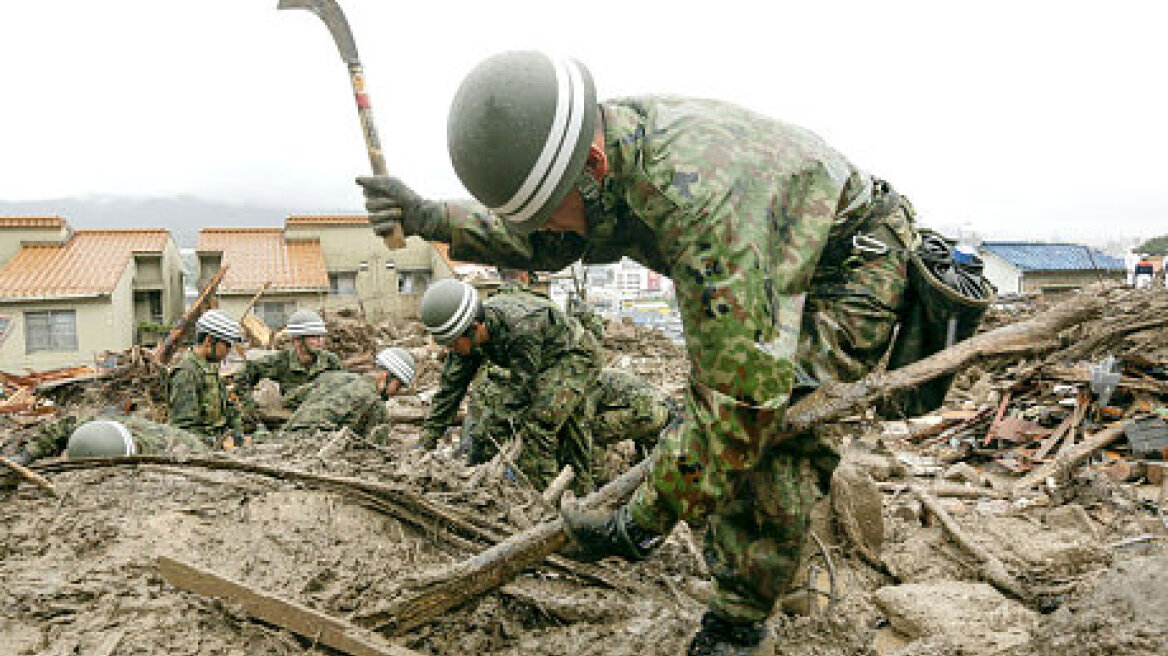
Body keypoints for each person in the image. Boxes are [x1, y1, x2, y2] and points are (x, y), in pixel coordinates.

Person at [355, 51, 990, 654]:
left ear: (593, 167)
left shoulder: (700, 204)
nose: (549, 230)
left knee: (770, 436)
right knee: (704, 444)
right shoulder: (601, 151)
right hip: (772, 253)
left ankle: (741, 624)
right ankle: (748, 560)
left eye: (553, 213)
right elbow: (551, 239)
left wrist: (639, 521)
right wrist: (432, 217)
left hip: (848, 271)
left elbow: (741, 405)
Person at [419, 278, 605, 490]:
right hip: (541, 357)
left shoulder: (521, 327)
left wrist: (504, 431)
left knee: (539, 423)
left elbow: (523, 392)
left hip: (575, 357)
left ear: (475, 327)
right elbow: (449, 392)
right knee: (491, 420)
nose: (449, 350)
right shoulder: (464, 337)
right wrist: (425, 442)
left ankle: (541, 497)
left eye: (452, 343)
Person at [280, 347, 415, 441]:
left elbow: (289, 399)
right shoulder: (376, 405)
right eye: (398, 386)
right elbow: (375, 449)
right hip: (313, 448)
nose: (396, 393)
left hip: (283, 439)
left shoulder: (334, 377)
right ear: (386, 376)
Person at [234, 308, 344, 418]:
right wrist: (249, 407)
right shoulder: (281, 362)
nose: (320, 340)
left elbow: (345, 390)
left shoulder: (331, 361)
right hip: (292, 418)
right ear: (297, 341)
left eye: (321, 336)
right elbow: (243, 376)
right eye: (314, 336)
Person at [168, 309, 245, 440]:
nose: (228, 351)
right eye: (226, 345)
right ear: (209, 341)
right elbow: (184, 432)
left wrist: (238, 436)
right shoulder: (186, 373)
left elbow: (228, 410)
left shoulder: (208, 369)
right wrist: (217, 443)